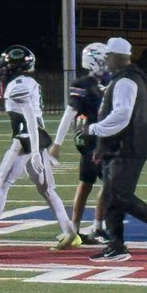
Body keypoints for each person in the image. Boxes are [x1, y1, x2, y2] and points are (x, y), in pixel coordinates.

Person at [86, 37, 147, 263]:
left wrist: (93, 129)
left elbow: (121, 116)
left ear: (118, 57)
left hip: (128, 145)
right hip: (120, 145)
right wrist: (101, 145)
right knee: (111, 195)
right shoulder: (122, 78)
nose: (106, 60)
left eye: (108, 55)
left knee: (120, 195)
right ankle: (116, 245)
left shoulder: (126, 81)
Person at [0, 45, 78, 251]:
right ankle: (69, 232)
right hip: (35, 138)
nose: (2, 69)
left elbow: (29, 118)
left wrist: (35, 151)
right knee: (46, 189)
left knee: (1, 184)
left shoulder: (18, 84)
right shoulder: (28, 82)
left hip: (25, 140)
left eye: (6, 66)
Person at [50, 42, 109, 244]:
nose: (107, 64)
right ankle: (97, 227)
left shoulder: (102, 82)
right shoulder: (83, 84)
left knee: (86, 182)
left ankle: (74, 229)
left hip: (91, 138)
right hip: (91, 139)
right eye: (104, 60)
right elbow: (69, 113)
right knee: (109, 182)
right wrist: (57, 144)